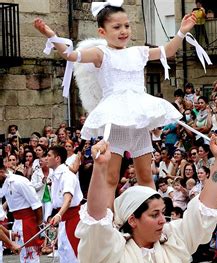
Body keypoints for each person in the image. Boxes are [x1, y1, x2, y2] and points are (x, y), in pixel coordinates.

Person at [33, 3, 195, 193]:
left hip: (137, 119)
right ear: (102, 31)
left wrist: (182, 32)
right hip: (115, 121)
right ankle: (108, 220)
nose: (123, 31)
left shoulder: (138, 51)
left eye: (126, 26)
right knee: (111, 179)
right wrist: (52, 35)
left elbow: (167, 51)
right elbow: (71, 55)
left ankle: (149, 215)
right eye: (117, 27)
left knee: (145, 176)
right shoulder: (101, 54)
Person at [75, 137, 217, 263]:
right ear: (132, 220)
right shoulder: (113, 250)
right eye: (154, 214)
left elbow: (205, 209)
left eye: (163, 213)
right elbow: (96, 223)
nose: (163, 220)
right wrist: (100, 166)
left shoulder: (173, 239)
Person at [47, 145, 84, 263]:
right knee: (63, 252)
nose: (46, 158)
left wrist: (59, 214)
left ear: (57, 158)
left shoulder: (67, 176)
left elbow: (68, 199)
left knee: (73, 254)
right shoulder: (55, 176)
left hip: (72, 219)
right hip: (63, 219)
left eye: (49, 156)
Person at [0, 161, 42, 263]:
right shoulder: (5, 184)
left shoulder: (19, 181)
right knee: (23, 258)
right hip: (17, 222)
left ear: (1, 172)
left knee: (31, 259)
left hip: (27, 223)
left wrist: (38, 226)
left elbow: (36, 205)